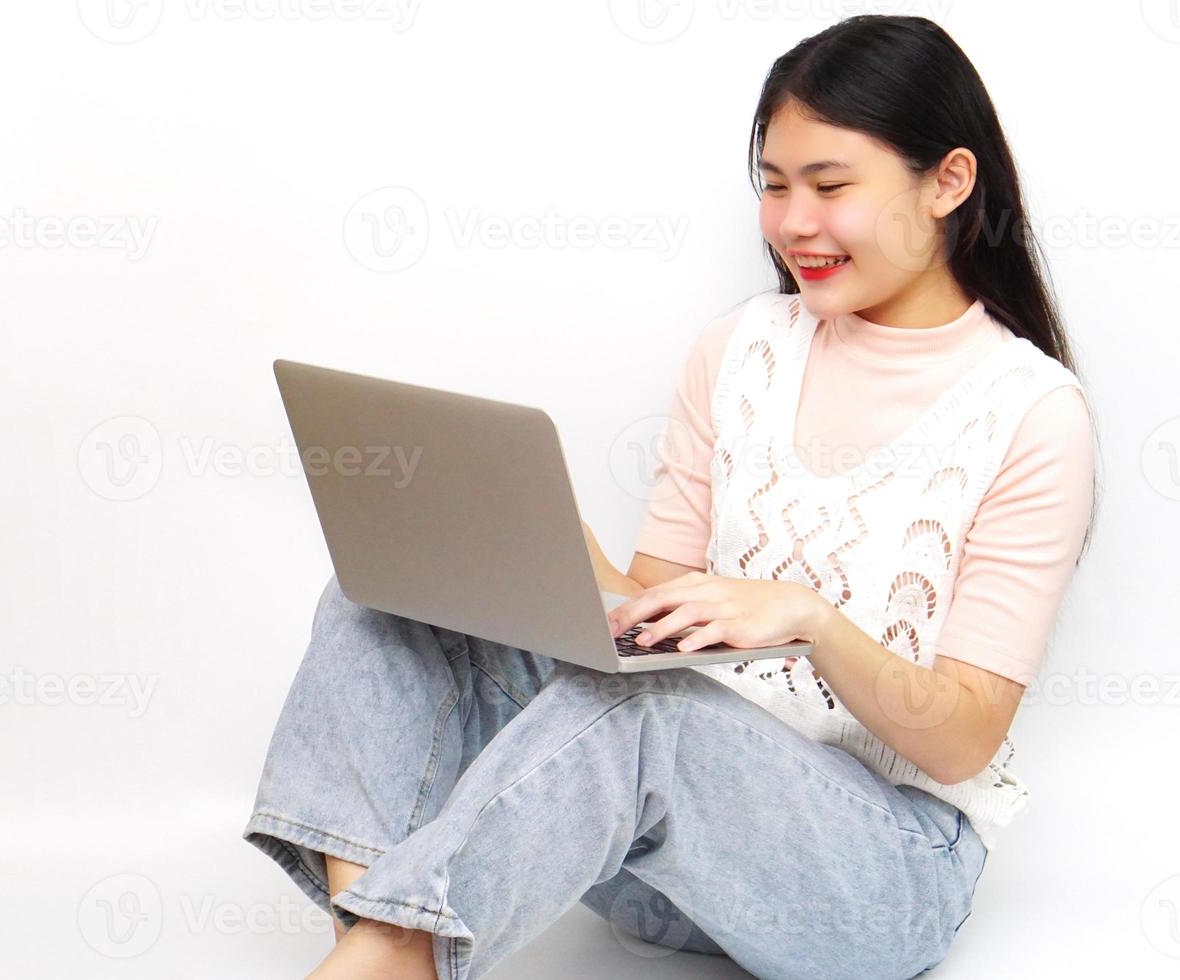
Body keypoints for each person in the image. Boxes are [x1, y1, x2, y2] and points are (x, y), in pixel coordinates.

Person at [241, 14, 1098, 980]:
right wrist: (539, 552)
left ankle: (389, 961)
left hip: (875, 884)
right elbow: (652, 625)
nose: (793, 223)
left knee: (652, 719)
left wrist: (812, 621)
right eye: (774, 187)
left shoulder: (1030, 414)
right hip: (673, 871)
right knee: (382, 594)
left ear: (948, 181)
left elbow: (963, 737)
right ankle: (374, 946)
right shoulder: (738, 352)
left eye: (830, 185)